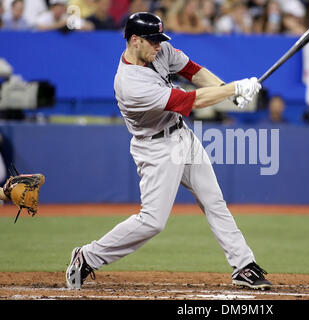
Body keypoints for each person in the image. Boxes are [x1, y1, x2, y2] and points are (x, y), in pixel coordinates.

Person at [65, 12, 271, 291]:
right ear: (134, 41)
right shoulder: (130, 84)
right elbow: (190, 100)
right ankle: (87, 255)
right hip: (156, 148)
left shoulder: (159, 51)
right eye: (152, 40)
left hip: (182, 135)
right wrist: (233, 89)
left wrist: (226, 90)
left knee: (214, 201)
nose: (158, 45)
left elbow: (193, 72)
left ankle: (243, 265)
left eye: (159, 39)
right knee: (152, 222)